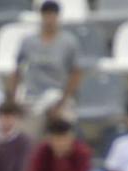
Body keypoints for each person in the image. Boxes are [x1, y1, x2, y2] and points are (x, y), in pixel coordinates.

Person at [9, 0, 81, 134]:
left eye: (52, 15)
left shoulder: (69, 42)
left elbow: (75, 73)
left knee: (66, 131)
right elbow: (17, 70)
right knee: (25, 137)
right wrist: (13, 99)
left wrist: (63, 101)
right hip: (32, 99)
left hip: (58, 97)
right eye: (46, 15)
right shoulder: (28, 42)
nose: (49, 20)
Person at [24, 117, 91, 171]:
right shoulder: (43, 150)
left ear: (72, 137)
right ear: (49, 139)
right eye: (57, 140)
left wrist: (61, 159)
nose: (61, 143)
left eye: (65, 139)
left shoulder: (82, 152)